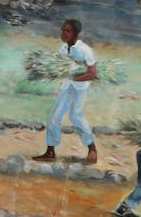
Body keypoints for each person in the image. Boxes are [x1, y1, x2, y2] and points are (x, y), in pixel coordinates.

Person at [33, 19, 98, 165]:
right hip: (67, 86)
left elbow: (92, 74)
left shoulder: (85, 50)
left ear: (75, 33)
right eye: (63, 30)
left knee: (76, 117)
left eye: (67, 31)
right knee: (54, 117)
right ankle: (50, 151)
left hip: (80, 89)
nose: (63, 33)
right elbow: (61, 68)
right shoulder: (63, 49)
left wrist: (75, 77)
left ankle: (92, 149)